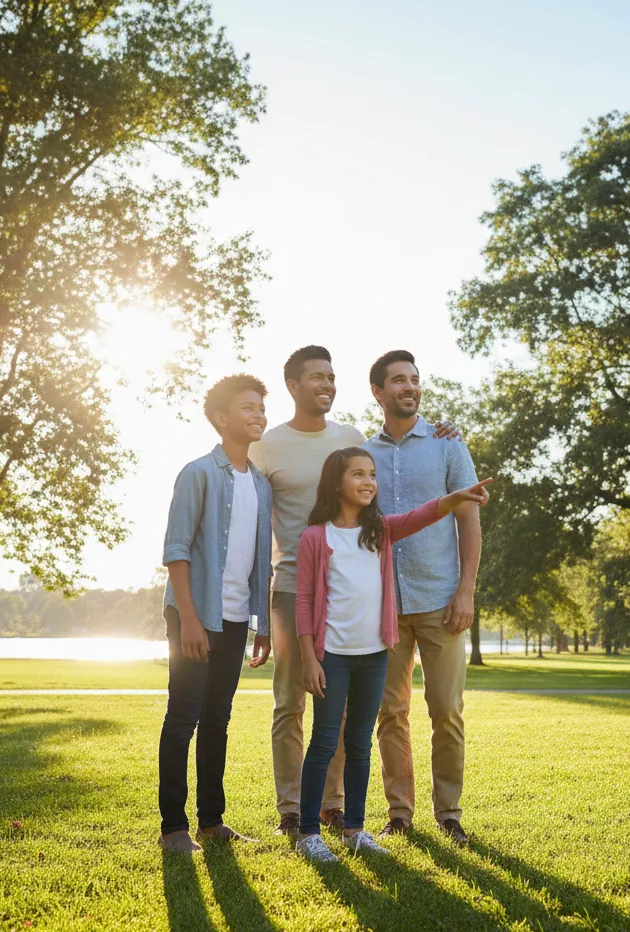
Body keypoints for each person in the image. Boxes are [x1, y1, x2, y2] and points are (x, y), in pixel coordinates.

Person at [249, 345, 458, 837]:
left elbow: (390, 502)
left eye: (331, 376)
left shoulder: (349, 439)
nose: (326, 384)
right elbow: (258, 530)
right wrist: (258, 606)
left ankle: (333, 805)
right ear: (293, 386)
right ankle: (290, 809)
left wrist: (445, 432)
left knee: (341, 709)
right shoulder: (267, 446)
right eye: (316, 377)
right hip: (292, 589)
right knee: (289, 704)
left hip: (346, 597)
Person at [293, 447, 490, 862]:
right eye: (358, 475)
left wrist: (454, 499)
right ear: (335, 483)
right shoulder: (315, 537)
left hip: (374, 655)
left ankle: (354, 830)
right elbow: (305, 600)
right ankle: (308, 833)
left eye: (372, 475)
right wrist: (310, 658)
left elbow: (421, 516)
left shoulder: (379, 531)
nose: (368, 482)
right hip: (332, 656)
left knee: (361, 744)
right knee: (325, 741)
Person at [363, 350, 486, 846]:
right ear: (378, 391)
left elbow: (469, 520)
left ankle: (449, 812)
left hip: (440, 600)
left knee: (446, 710)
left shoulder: (447, 446)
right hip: (383, 605)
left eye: (415, 379)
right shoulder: (361, 454)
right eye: (398, 380)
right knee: (389, 714)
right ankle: (400, 813)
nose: (409, 387)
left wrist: (466, 591)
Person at [157, 374, 274, 854]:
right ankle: (173, 828)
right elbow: (176, 550)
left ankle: (211, 821)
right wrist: (187, 618)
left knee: (218, 719)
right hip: (194, 612)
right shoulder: (198, 473)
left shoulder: (262, 485)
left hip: (234, 618)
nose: (258, 415)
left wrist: (260, 622)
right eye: (248, 408)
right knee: (182, 717)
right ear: (223, 419)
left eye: (260, 408)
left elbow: (260, 560)